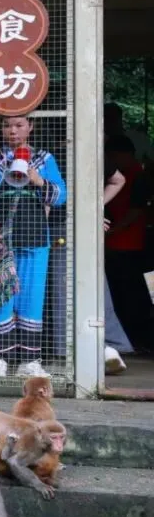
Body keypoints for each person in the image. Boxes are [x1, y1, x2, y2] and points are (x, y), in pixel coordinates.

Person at [0, 116, 66, 378]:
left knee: (31, 299)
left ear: (30, 127)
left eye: (19, 125)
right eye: (7, 125)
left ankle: (30, 361)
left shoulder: (44, 159)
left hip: (35, 239)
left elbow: (62, 196)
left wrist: (38, 180)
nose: (12, 131)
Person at [104, 132, 152, 354]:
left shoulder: (137, 176)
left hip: (130, 246)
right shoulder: (125, 174)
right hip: (116, 245)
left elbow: (136, 211)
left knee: (134, 296)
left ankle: (139, 339)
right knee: (120, 295)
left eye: (114, 157)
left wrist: (113, 230)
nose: (111, 162)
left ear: (125, 155)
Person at [102, 158, 133, 375]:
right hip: (114, 242)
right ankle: (108, 347)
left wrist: (95, 207)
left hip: (125, 245)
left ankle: (106, 347)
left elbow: (118, 180)